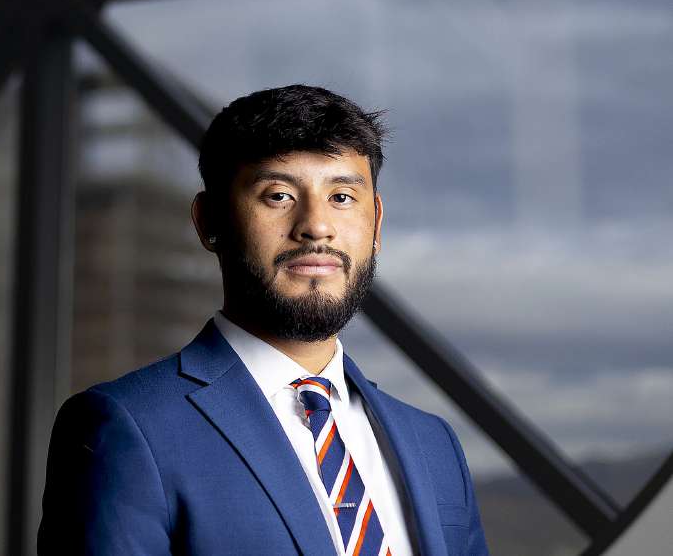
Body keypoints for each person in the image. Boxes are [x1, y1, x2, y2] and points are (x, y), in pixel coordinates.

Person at [37, 85, 488, 555]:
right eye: (278, 195)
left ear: (376, 222)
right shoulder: (126, 427)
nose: (316, 226)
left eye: (341, 197)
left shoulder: (434, 445)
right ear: (209, 220)